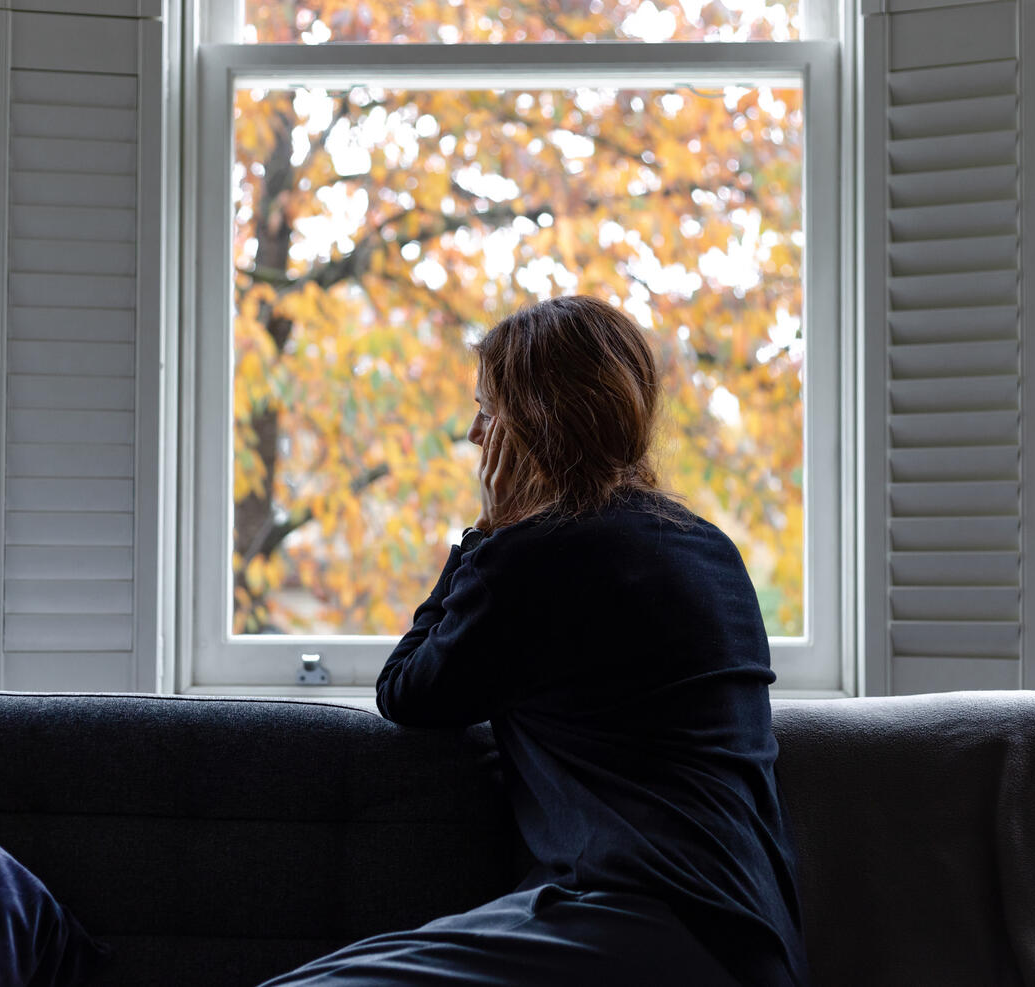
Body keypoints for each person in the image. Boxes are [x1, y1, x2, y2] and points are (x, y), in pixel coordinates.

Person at [260, 295, 809, 986]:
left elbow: (405, 690)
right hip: (757, 943)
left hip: (639, 923)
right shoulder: (710, 549)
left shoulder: (536, 558)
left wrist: (486, 531)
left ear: (537, 423)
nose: (471, 433)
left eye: (488, 411)